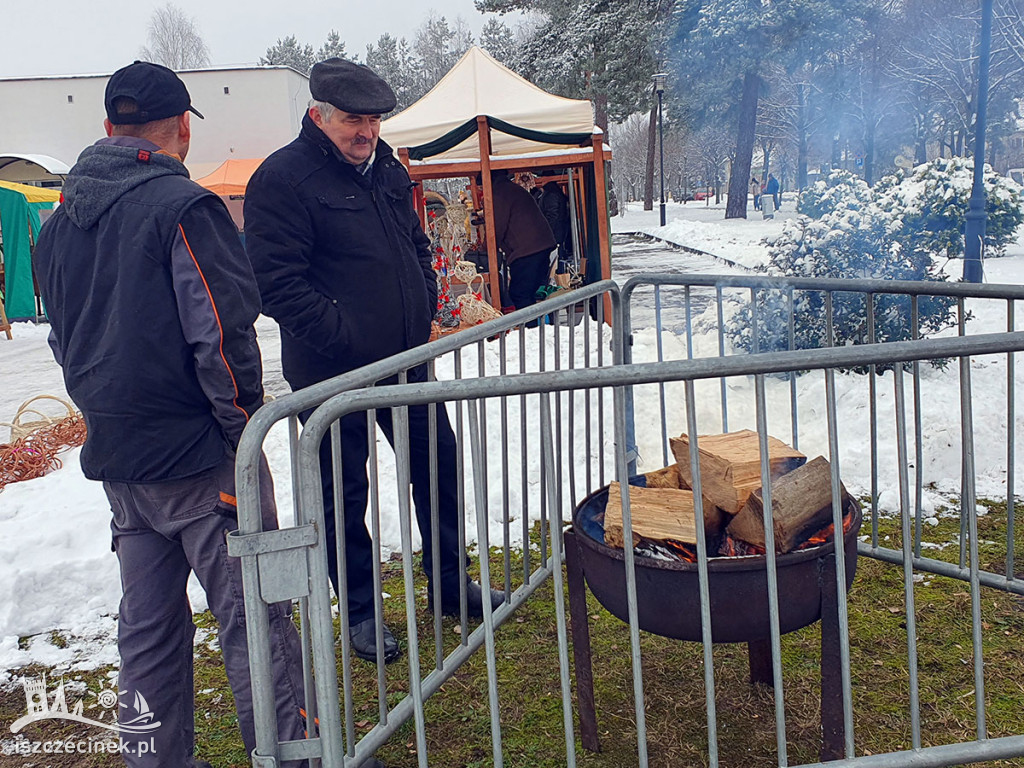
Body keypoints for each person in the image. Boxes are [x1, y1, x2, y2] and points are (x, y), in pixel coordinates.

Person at [32, 61, 307, 767]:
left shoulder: (56, 228)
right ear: (182, 128)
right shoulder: (184, 208)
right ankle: (296, 758)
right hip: (199, 463)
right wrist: (242, 436)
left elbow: (65, 343)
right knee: (257, 621)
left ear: (107, 130)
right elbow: (220, 332)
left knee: (147, 633)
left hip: (122, 463)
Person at [243, 58, 503, 665]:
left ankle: (447, 582)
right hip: (334, 373)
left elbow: (412, 238)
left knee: (436, 463)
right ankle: (360, 610)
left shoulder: (384, 167)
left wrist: (426, 297)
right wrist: (350, 339)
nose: (366, 131)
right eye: (353, 120)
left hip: (407, 361)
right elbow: (277, 285)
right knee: (343, 491)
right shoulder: (283, 179)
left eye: (374, 120)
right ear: (318, 115)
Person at [490, 169, 557, 310]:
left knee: (520, 294)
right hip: (538, 246)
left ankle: (530, 330)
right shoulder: (509, 189)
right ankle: (533, 329)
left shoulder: (500, 192)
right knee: (526, 294)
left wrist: (487, 245)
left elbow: (496, 226)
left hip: (529, 250)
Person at [540, 180, 573, 271]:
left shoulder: (550, 195)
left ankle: (558, 274)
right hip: (559, 228)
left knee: (555, 255)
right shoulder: (557, 193)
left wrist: (547, 230)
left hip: (554, 230)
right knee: (559, 252)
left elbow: (552, 214)